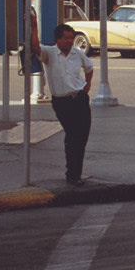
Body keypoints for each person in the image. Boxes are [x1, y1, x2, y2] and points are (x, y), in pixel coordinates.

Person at [28, 19, 95, 186]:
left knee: (81, 138)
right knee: (72, 137)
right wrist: (34, 27)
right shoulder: (50, 53)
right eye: (66, 38)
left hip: (79, 99)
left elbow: (89, 68)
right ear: (58, 39)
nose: (69, 41)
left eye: (71, 38)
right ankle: (71, 174)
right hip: (62, 102)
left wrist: (87, 86)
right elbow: (35, 46)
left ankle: (76, 174)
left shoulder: (77, 53)